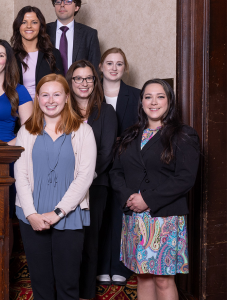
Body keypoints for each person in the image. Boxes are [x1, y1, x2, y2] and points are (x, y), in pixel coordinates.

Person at [110, 79, 200, 300]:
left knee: (162, 278)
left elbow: (185, 178)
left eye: (160, 96)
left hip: (164, 220)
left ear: (169, 101)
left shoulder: (183, 134)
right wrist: (129, 198)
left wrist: (147, 199)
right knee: (142, 276)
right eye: (148, 96)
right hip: (135, 217)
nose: (153, 102)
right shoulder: (131, 134)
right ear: (141, 102)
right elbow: (116, 172)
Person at [14, 74, 96, 300]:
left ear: (67, 98)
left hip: (69, 216)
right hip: (32, 216)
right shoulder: (26, 131)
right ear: (37, 98)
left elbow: (84, 177)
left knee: (68, 287)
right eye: (45, 95)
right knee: (41, 288)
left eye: (57, 94)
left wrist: (58, 212)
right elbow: (20, 175)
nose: (51, 100)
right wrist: (31, 214)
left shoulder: (83, 132)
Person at [65, 60, 118, 300]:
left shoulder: (106, 111)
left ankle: (86, 294)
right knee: (67, 241)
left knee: (90, 241)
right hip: (64, 185)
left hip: (96, 186)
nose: (83, 83)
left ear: (95, 82)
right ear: (70, 82)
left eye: (88, 78)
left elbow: (107, 152)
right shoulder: (62, 110)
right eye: (78, 78)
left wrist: (85, 179)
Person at [97, 47, 140, 286]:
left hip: (126, 162)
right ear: (101, 66)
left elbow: (141, 128)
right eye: (109, 63)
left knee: (122, 213)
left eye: (119, 64)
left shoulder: (136, 95)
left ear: (125, 68)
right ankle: (102, 265)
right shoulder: (90, 93)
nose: (114, 68)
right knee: (100, 214)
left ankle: (120, 266)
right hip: (98, 161)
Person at [11, 6, 64, 99]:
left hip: (47, 108)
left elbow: (61, 86)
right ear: (18, 26)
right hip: (17, 109)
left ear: (40, 26)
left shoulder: (53, 54)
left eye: (34, 22)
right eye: (24, 22)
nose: (29, 26)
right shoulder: (10, 55)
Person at [46, 0, 101, 73]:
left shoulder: (89, 34)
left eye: (68, 1)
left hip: (78, 85)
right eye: (58, 1)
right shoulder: (43, 31)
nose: (62, 5)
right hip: (49, 84)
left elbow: (95, 69)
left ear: (77, 7)